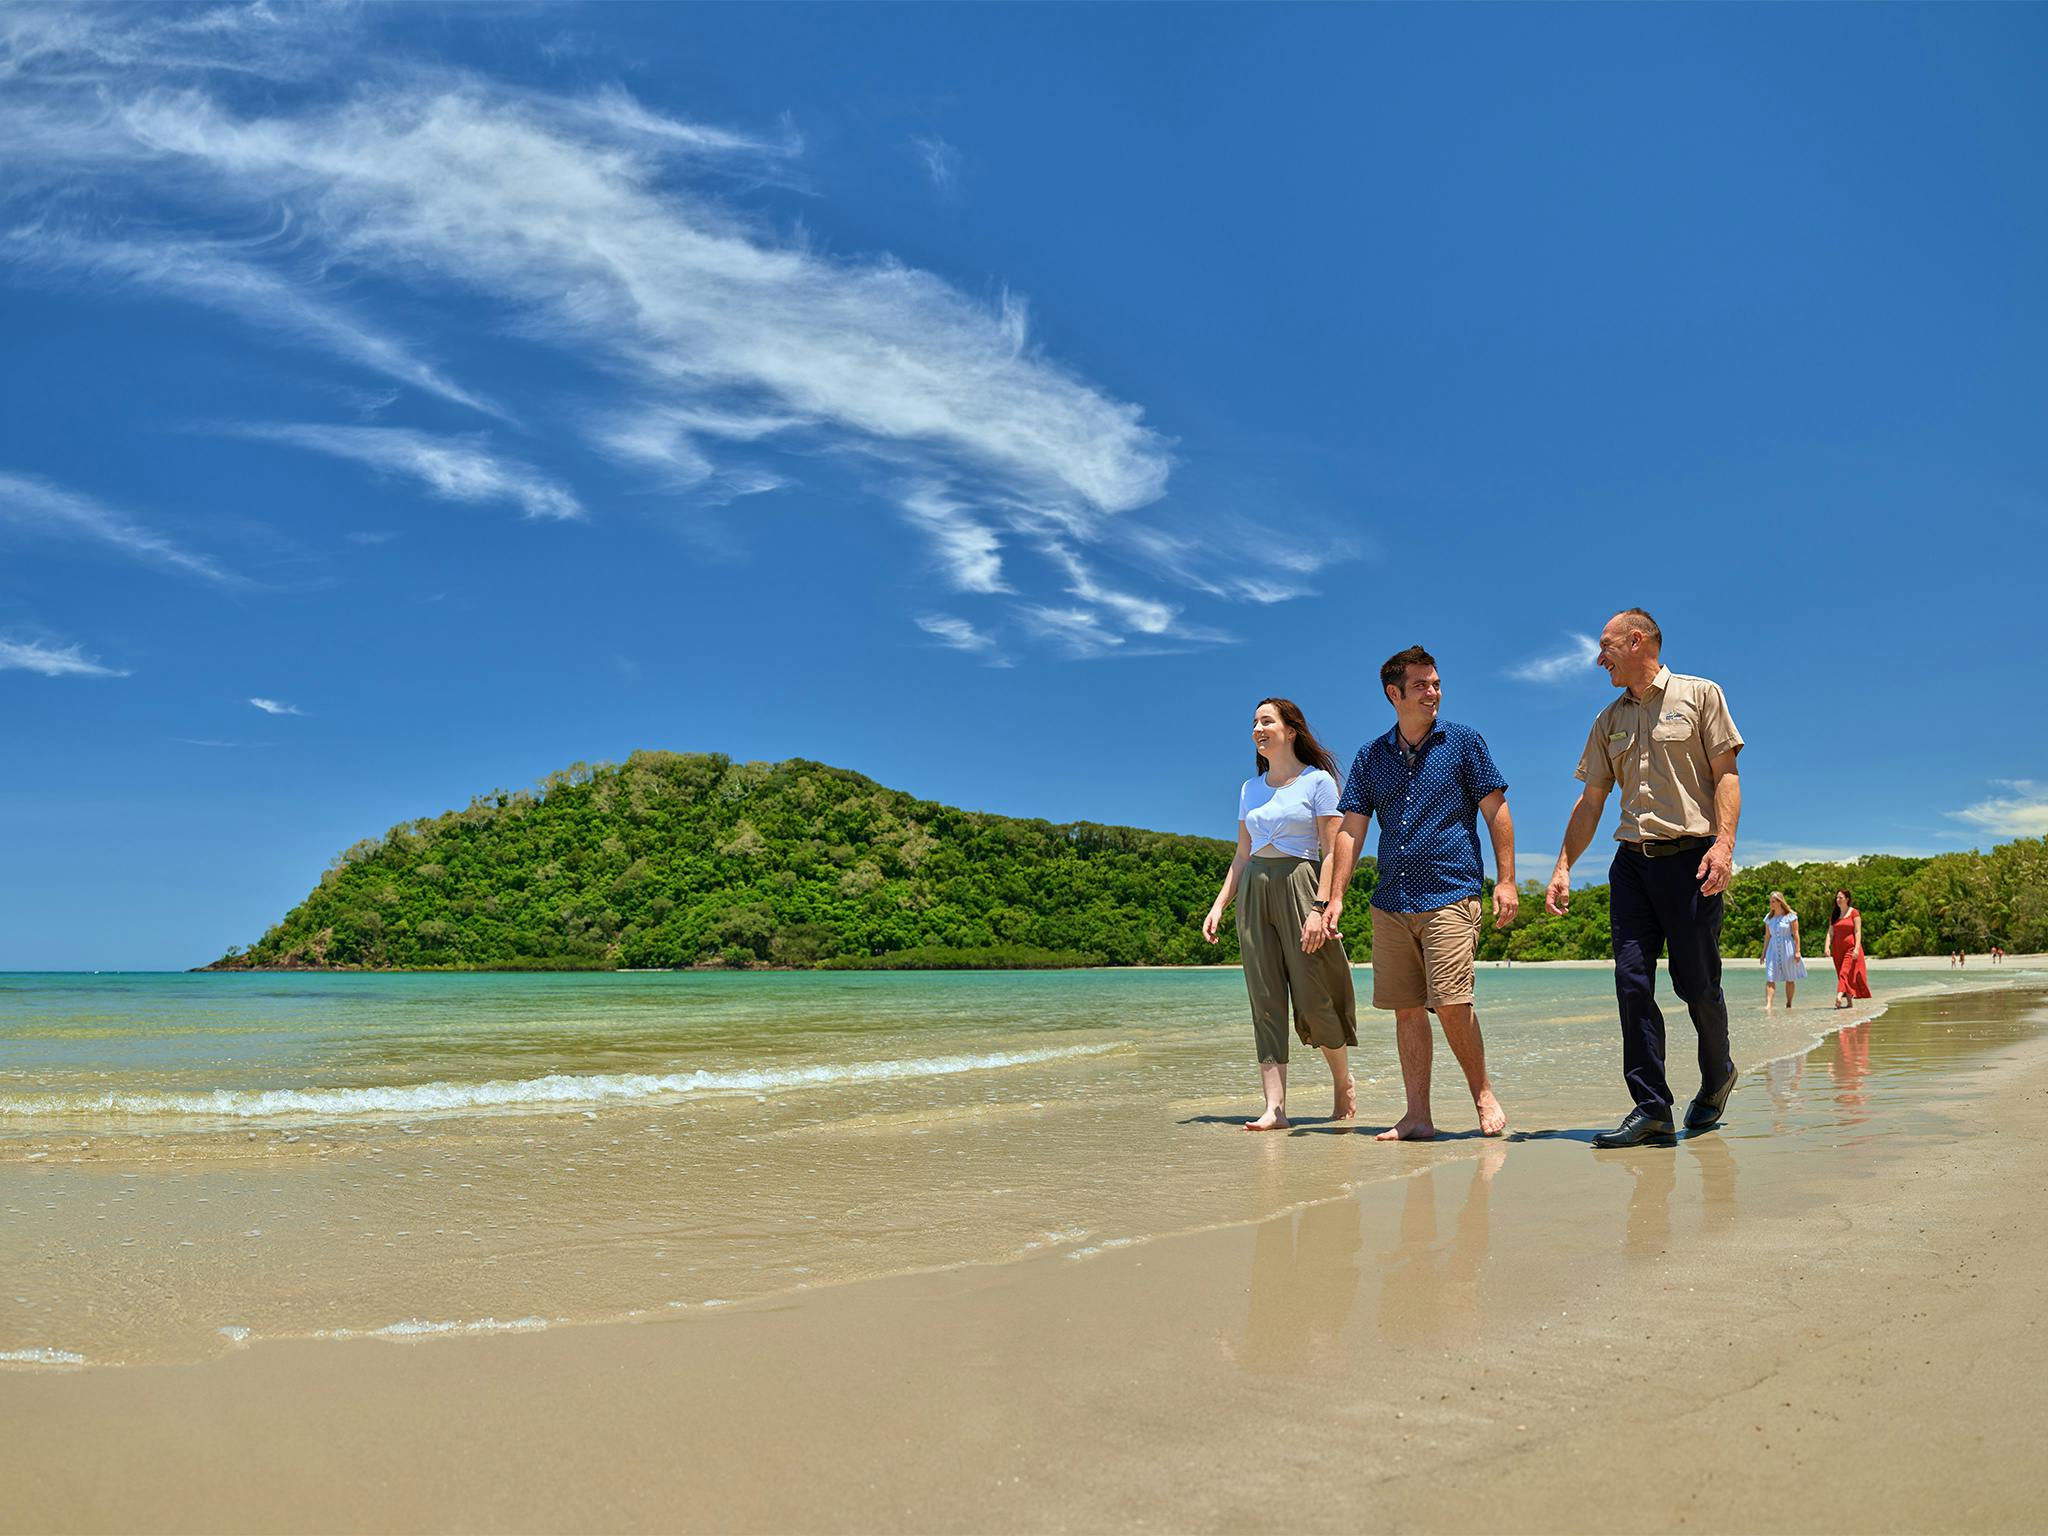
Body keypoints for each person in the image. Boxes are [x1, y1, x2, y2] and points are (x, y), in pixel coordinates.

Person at [1544, 608, 1743, 1148]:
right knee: (1632, 984)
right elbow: (1591, 802)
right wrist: (1563, 866)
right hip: (1632, 864)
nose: (1598, 658)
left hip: (1693, 860)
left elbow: (1726, 775)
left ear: (1637, 641)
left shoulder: (1701, 696)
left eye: (1606, 646)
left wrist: (1724, 846)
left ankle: (1718, 1073)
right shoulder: (1607, 720)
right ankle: (1652, 1108)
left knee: (1697, 985)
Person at [1323, 645, 1515, 1140]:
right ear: (1394, 693)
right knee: (1407, 1009)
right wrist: (1336, 895)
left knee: (1452, 1002)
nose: (1434, 692)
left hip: (1451, 891)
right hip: (1391, 902)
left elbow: (1496, 810)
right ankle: (1418, 1116)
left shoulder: (1464, 742)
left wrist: (1507, 879)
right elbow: (1350, 831)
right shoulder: (1371, 756)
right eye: (1422, 685)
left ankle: (1482, 1094)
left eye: (1435, 683)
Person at [1203, 697, 1359, 1131]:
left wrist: (1320, 907)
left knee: (1315, 994)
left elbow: (1332, 852)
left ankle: (1342, 1081)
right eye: (1254, 721)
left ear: (1291, 730)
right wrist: (1219, 905)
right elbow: (1240, 854)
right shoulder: (1249, 789)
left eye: (1266, 720)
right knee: (1265, 998)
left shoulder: (1318, 782)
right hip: (1255, 888)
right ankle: (1275, 1107)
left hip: (1302, 885)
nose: (1258, 728)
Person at [1759, 890, 1805, 1010]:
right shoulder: (1769, 918)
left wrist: (1797, 951)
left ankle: (1789, 1003)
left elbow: (1796, 934)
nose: (1771, 904)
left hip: (1788, 948)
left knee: (1790, 978)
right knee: (1770, 976)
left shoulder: (1791, 917)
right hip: (1772, 949)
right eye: (1770, 902)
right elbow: (1767, 936)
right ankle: (1768, 1004)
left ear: (1780, 902)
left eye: (1773, 902)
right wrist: (1763, 953)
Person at [1829, 889, 1872, 1008]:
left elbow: (1857, 931)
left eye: (1840, 897)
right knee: (1842, 973)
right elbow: (1830, 933)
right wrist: (1827, 946)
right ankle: (1849, 1003)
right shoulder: (1834, 914)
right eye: (1837, 898)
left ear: (1847, 899)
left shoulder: (1854, 912)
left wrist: (1857, 948)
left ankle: (1838, 996)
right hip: (1837, 949)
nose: (1838, 900)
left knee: (1845, 972)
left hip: (1851, 947)